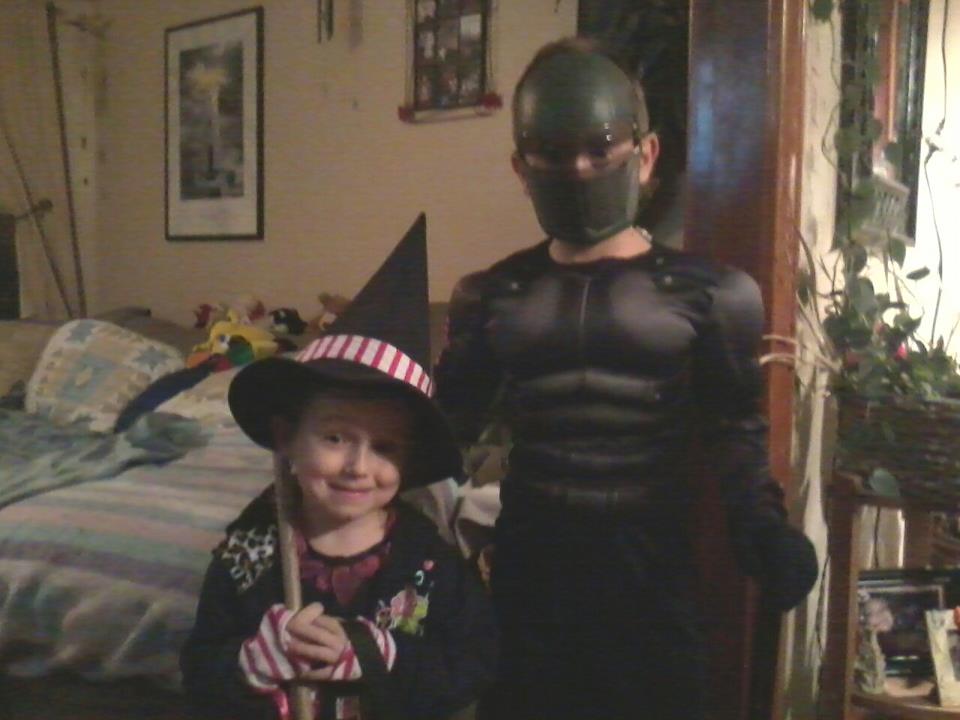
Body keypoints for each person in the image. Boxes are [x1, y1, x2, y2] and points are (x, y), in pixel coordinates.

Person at [433, 38, 819, 719]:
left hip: (651, 572)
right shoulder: (492, 295)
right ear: (521, 167)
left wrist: (761, 528)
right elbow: (441, 435)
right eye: (553, 152)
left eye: (601, 146)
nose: (579, 169)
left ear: (646, 155)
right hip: (531, 571)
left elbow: (734, 428)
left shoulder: (715, 294)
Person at [181, 216, 497, 720]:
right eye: (335, 437)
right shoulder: (248, 553)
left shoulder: (429, 561)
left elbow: (471, 667)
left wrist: (377, 656)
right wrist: (247, 665)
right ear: (286, 437)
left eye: (385, 447)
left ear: (408, 460)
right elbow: (200, 669)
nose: (357, 467)